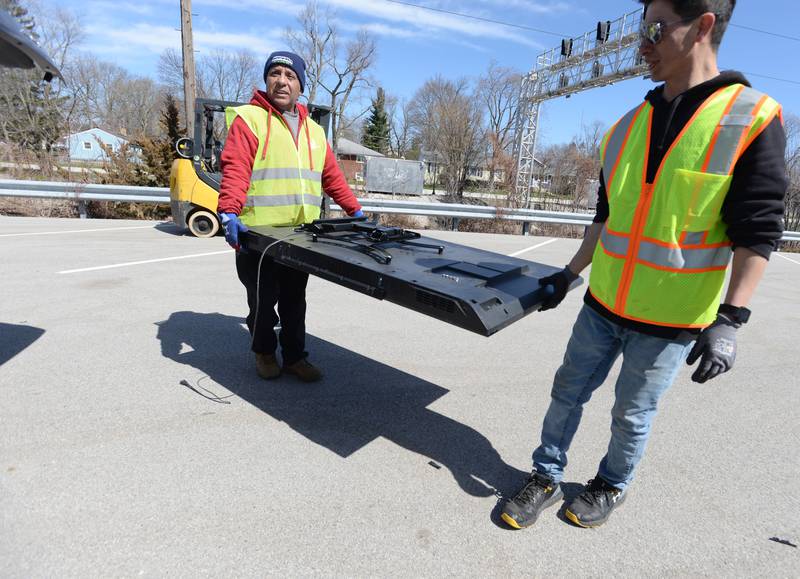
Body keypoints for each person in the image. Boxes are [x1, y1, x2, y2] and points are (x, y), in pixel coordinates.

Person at [502, 0, 786, 529]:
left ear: (703, 26)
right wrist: (569, 274)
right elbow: (604, 218)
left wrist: (731, 320)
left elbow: (758, 232)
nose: (642, 43)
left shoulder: (751, 119)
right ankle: (544, 474)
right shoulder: (626, 127)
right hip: (602, 304)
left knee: (631, 414)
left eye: (655, 28)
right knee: (567, 391)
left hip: (670, 321)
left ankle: (610, 485)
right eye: (641, 28)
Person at [218, 51, 364, 383]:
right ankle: (265, 352)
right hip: (259, 237)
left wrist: (355, 210)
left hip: (302, 236)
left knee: (295, 303)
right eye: (275, 73)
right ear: (267, 79)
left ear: (300, 84)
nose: (282, 80)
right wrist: (228, 211)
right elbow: (235, 169)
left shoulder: (314, 131)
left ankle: (296, 357)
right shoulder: (250, 119)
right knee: (262, 302)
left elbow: (332, 178)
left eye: (290, 75)